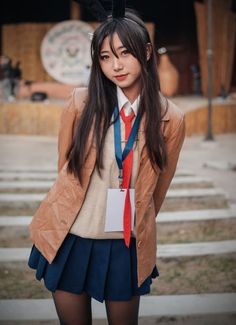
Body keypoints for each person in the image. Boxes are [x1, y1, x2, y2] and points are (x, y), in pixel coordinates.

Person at [28, 7, 185, 325]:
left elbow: (156, 193)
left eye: (125, 53)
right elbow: (65, 173)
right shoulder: (80, 104)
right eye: (104, 57)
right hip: (70, 239)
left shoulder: (171, 119)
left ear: (146, 52)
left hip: (124, 246)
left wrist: (134, 219)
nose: (115, 65)